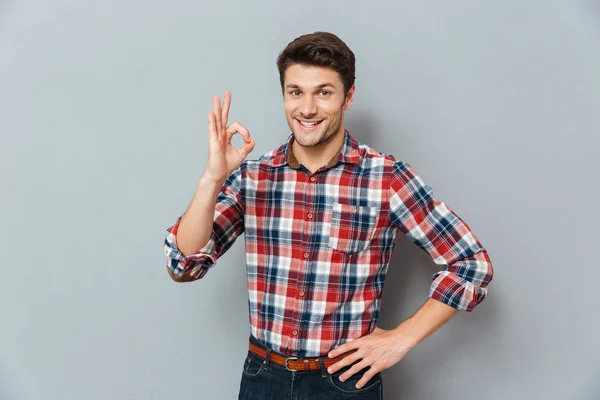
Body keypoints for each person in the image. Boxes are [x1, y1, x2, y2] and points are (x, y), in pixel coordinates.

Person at [163, 31, 494, 399]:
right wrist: (213, 178)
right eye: (296, 92)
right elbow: (184, 264)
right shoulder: (252, 178)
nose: (307, 108)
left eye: (323, 92)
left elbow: (470, 264)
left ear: (348, 97)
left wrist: (401, 340)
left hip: (343, 383)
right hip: (262, 378)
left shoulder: (385, 177)